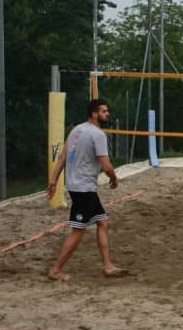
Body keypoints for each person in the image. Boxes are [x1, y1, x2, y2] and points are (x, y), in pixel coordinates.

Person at [46, 99, 125, 281]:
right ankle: (56, 270)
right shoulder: (97, 135)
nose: (108, 114)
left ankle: (108, 266)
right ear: (94, 113)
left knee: (102, 222)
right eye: (104, 111)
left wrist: (53, 181)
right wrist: (114, 179)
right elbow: (106, 165)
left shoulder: (76, 130)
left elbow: (62, 158)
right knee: (78, 229)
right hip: (84, 188)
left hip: (77, 186)